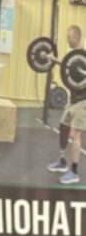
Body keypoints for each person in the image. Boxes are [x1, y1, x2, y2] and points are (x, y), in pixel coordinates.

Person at [46, 24, 85, 185]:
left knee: (75, 134)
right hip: (72, 100)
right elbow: (68, 67)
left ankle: (74, 171)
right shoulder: (72, 56)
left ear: (77, 37)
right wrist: (54, 60)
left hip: (83, 101)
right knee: (63, 127)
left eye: (69, 37)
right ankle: (62, 161)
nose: (67, 40)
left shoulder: (83, 55)